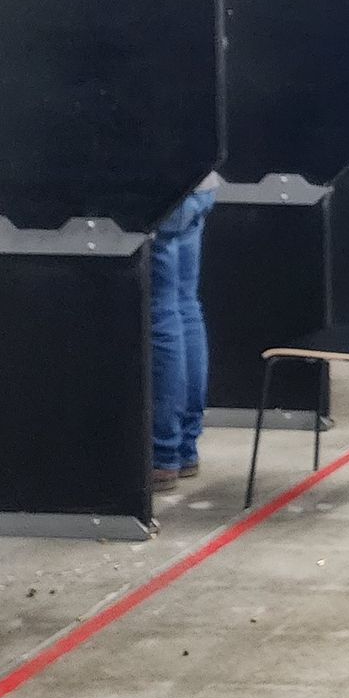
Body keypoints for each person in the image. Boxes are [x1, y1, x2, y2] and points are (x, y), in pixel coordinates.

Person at [151, 185, 214, 489]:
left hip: (154, 189)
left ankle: (161, 453)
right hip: (198, 183)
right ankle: (184, 447)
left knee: (161, 315)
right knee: (185, 306)